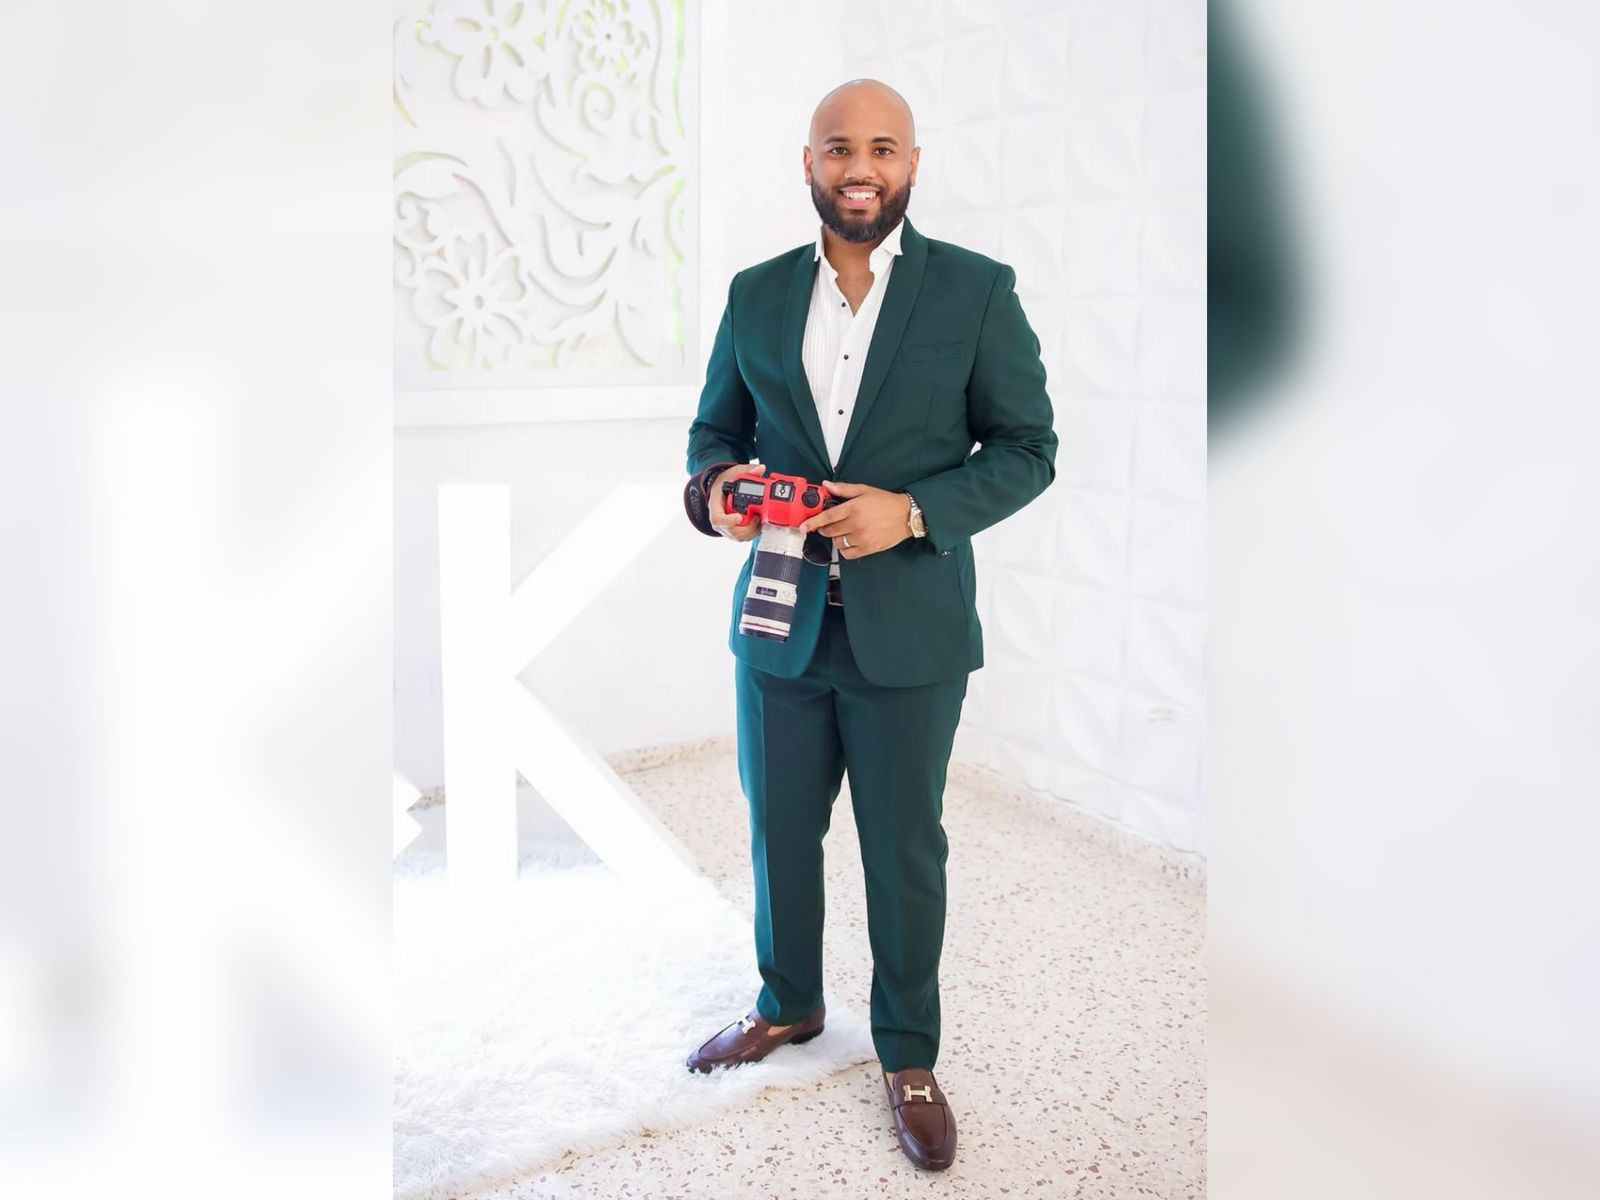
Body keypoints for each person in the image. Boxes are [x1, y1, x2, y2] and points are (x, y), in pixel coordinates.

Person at [679, 78, 1057, 1172]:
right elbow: (712, 436)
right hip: (778, 623)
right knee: (777, 831)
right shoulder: (755, 293)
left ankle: (907, 1053)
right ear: (808, 163)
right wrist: (717, 491)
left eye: (883, 148)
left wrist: (916, 511)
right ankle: (788, 1003)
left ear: (912, 165)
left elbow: (1028, 448)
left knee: (901, 848)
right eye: (839, 147)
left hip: (911, 631)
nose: (860, 167)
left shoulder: (976, 291)